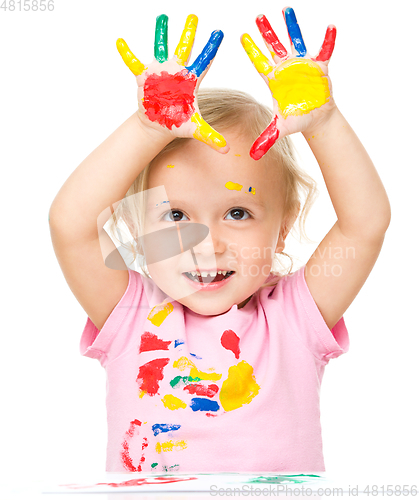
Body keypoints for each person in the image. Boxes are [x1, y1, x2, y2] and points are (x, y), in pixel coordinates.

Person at [49, 10, 391, 473]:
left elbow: (364, 224)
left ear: (284, 227)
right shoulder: (129, 314)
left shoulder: (293, 317)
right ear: (135, 229)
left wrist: (323, 123)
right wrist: (149, 128)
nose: (206, 244)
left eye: (237, 212)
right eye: (175, 215)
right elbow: (70, 224)